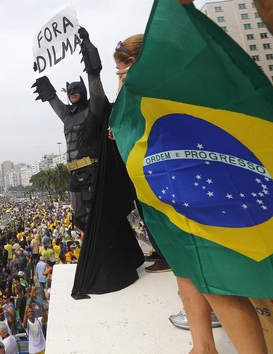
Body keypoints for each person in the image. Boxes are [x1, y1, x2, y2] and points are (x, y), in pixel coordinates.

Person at [113, 30, 268, 354]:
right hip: (174, 197)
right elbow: (123, 126)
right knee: (185, 264)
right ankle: (202, 346)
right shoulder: (142, 92)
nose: (121, 81)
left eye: (122, 71)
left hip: (201, 196)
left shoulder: (172, 82)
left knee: (215, 281)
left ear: (138, 63)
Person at [32, 26, 106, 230]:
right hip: (74, 174)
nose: (73, 91)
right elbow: (52, 99)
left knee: (97, 216)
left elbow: (94, 79)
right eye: (70, 90)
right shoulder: (67, 115)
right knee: (80, 219)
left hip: (93, 170)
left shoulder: (94, 108)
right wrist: (41, 74)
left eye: (76, 89)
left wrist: (87, 45)